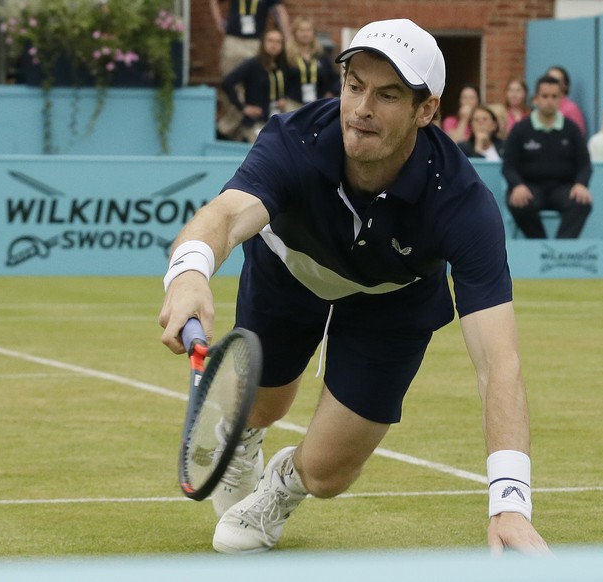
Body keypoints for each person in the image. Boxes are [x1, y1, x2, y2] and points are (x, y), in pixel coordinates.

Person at [159, 18, 550, 557]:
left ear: (427, 110)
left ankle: (282, 485)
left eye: (388, 95)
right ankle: (244, 436)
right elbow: (225, 217)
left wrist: (510, 503)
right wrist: (189, 273)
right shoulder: (296, 138)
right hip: (290, 270)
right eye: (354, 86)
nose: (362, 108)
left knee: (329, 474)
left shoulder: (463, 203)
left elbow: (498, 363)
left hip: (392, 301)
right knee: (264, 405)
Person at [501, 74, 592, 239]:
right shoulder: (520, 129)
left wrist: (581, 184)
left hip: (563, 189)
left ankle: (560, 248)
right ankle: (541, 244)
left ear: (561, 99)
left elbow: (585, 165)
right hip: (530, 187)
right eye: (545, 96)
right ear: (536, 98)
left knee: (582, 202)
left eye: (554, 96)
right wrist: (517, 185)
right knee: (519, 202)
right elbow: (508, 166)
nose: (549, 100)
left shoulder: (571, 129)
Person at [210, 0, 290, 140]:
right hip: (234, 39)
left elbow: (280, 10)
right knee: (232, 85)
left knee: (257, 83)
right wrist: (219, 21)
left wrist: (287, 37)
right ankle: (231, 130)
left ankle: (244, 128)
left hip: (255, 41)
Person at [220, 28, 289, 144]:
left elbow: (292, 85)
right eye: (270, 41)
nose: (274, 45)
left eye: (278, 42)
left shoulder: (283, 65)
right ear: (263, 43)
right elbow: (227, 82)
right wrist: (243, 107)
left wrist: (284, 99)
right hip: (256, 121)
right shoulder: (253, 64)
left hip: (278, 117)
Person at [283, 16, 339, 111]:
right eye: (301, 30)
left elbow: (333, 77)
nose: (305, 34)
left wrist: (331, 92)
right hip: (293, 104)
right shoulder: (286, 55)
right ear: (295, 33)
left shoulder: (321, 55)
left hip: (318, 105)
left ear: (313, 33)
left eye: (308, 30)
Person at [544, 65, 585, 134]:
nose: (552, 83)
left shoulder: (571, 108)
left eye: (557, 80)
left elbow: (579, 135)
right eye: (550, 79)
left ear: (565, 85)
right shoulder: (541, 106)